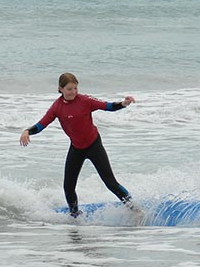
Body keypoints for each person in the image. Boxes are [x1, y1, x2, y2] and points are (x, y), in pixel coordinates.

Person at [19, 73, 135, 217]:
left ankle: (135, 209)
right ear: (60, 89)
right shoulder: (57, 107)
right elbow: (42, 124)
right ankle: (75, 217)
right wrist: (27, 131)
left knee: (110, 183)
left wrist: (123, 103)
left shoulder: (85, 100)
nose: (73, 92)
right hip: (76, 148)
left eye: (75, 88)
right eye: (69, 89)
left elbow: (107, 106)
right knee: (68, 187)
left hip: (94, 145)